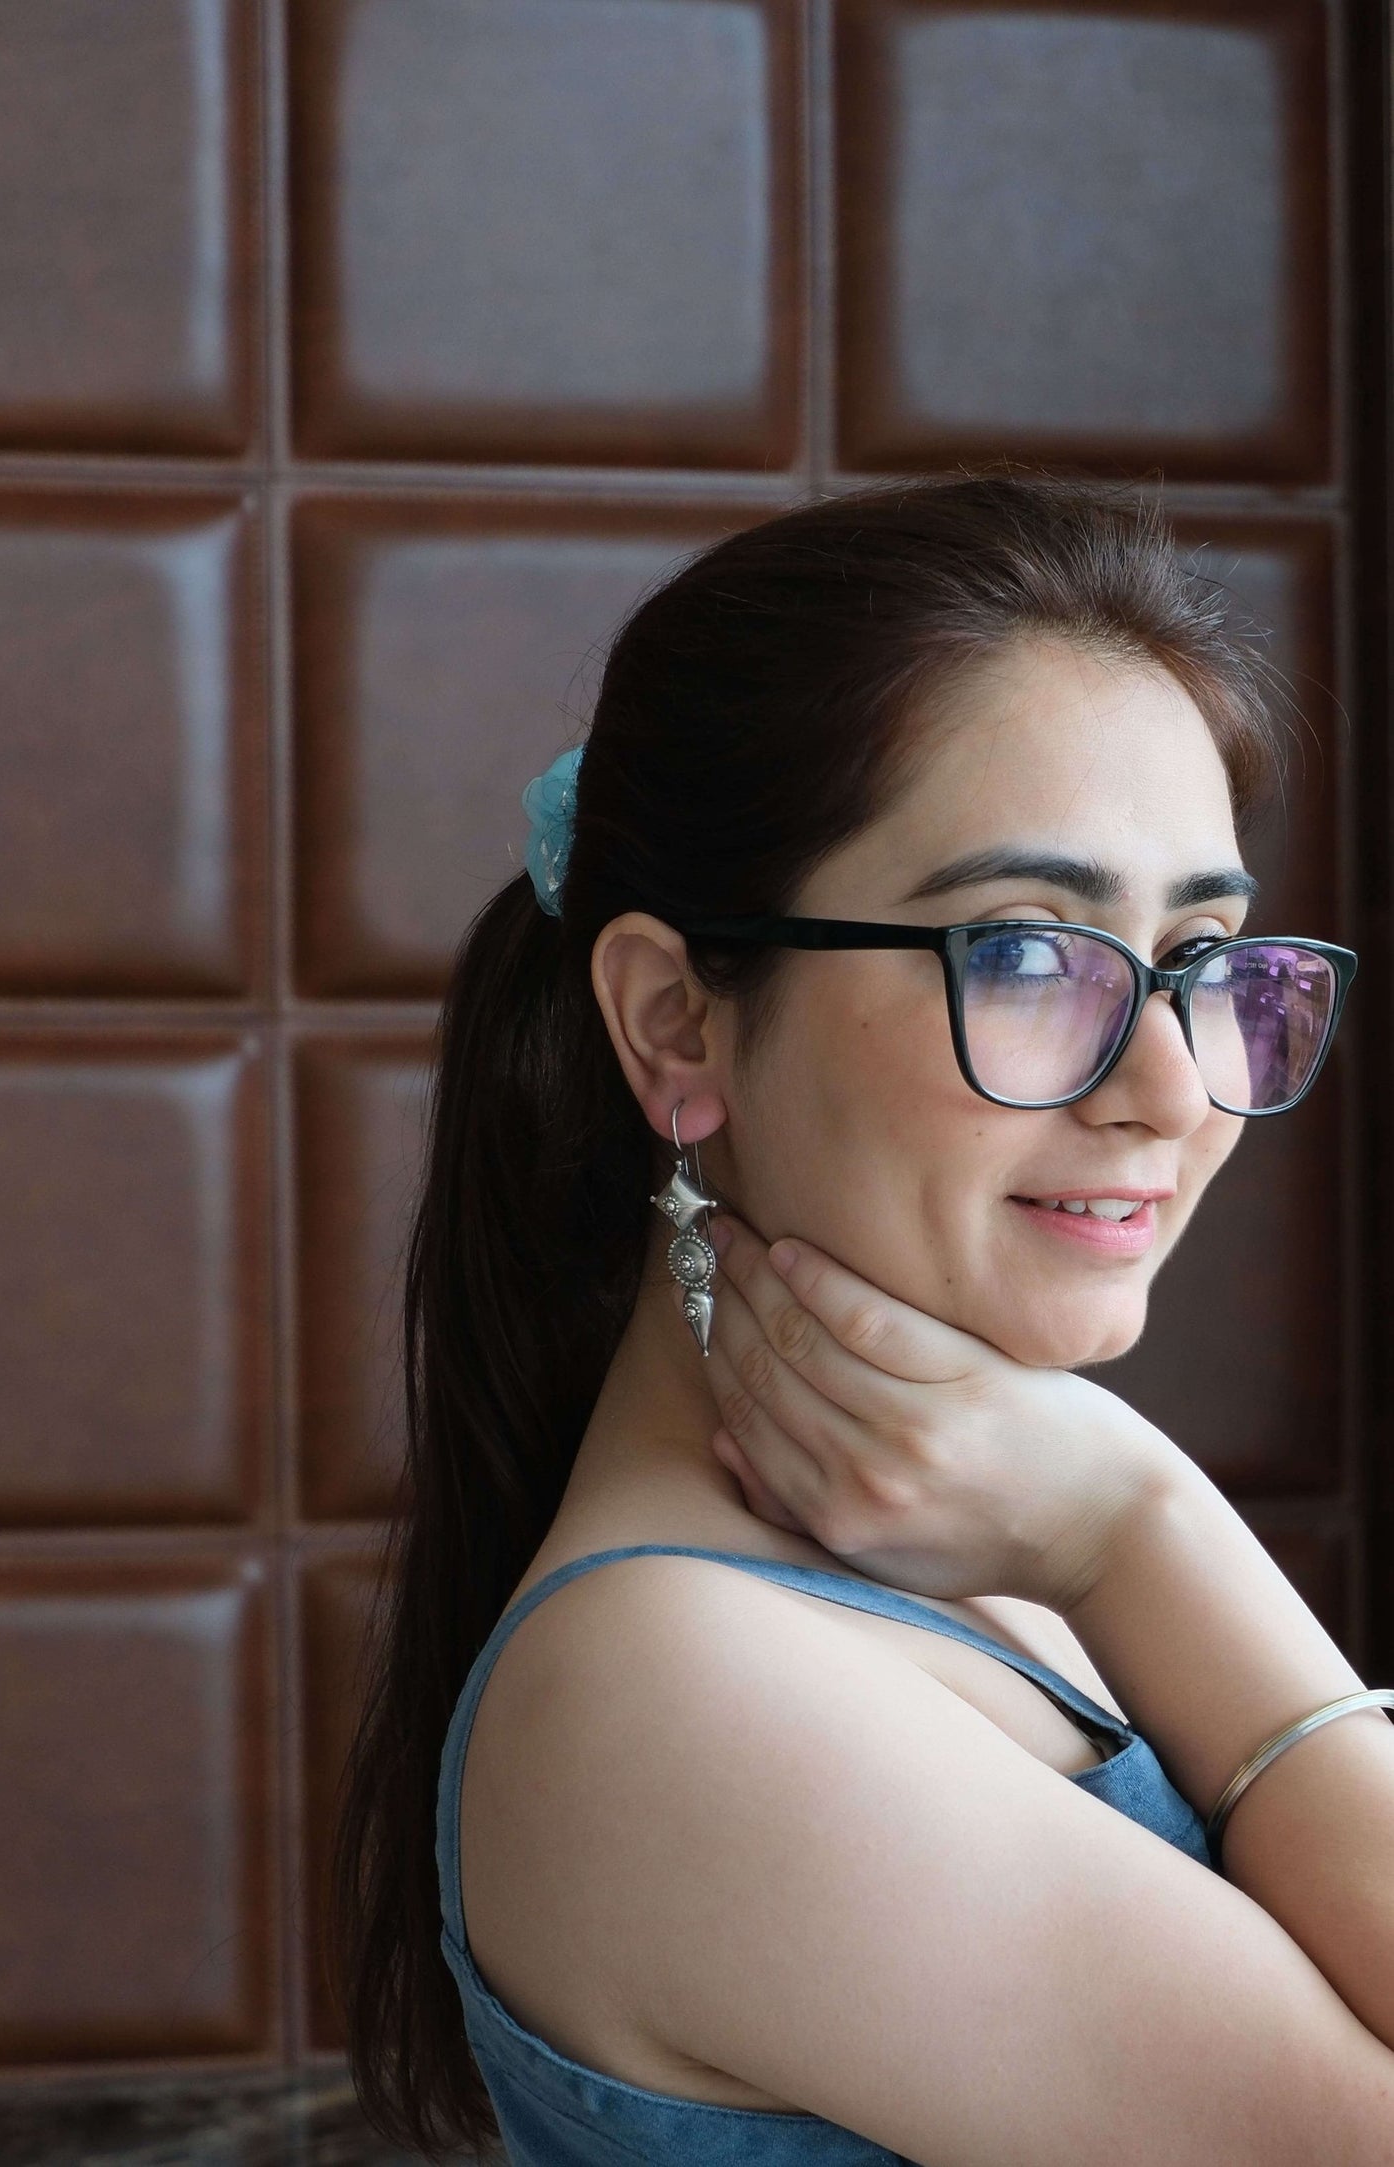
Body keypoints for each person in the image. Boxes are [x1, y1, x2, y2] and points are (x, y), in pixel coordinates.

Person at [330, 471, 1394, 2165]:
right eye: (1025, 953)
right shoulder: (681, 1692)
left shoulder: (947, 1522)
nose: (1166, 1088)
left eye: (1198, 957)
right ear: (677, 1023)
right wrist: (1144, 1530)